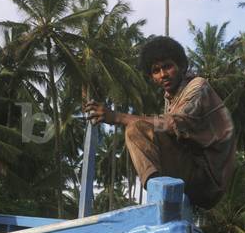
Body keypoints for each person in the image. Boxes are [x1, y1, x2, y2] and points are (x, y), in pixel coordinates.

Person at [85, 36, 236, 209]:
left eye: (167, 66)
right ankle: (158, 194)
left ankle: (157, 196)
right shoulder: (170, 99)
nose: (163, 74)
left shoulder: (197, 86)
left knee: (136, 129)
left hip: (208, 179)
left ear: (181, 66)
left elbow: (171, 124)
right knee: (141, 130)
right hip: (192, 174)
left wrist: (117, 117)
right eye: (156, 71)